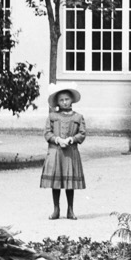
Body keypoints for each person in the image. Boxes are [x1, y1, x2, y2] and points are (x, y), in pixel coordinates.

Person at [41, 86, 86, 220]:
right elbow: (47, 133)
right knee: (56, 181)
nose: (65, 102)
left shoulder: (78, 117)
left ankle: (70, 210)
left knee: (69, 181)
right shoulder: (52, 116)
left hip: (70, 152)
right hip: (56, 152)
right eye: (61, 100)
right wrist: (57, 139)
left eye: (67, 99)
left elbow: (82, 133)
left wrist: (72, 139)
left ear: (72, 100)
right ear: (57, 102)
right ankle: (56, 209)